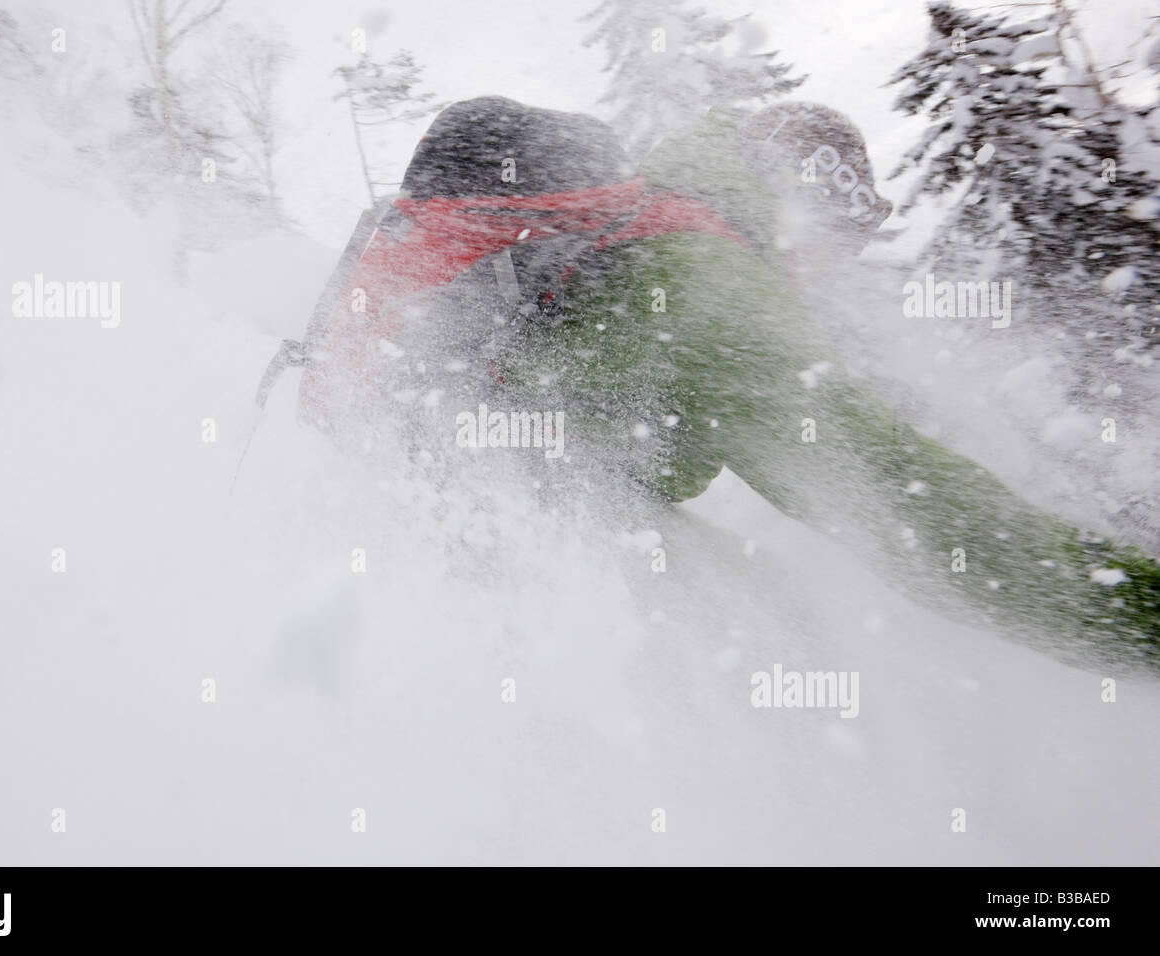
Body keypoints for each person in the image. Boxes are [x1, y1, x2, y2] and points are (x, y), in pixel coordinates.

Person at [286, 96, 1160, 666]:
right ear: (802, 187)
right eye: (847, 221)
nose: (834, 260)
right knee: (775, 639)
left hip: (443, 524)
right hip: (509, 554)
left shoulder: (632, 242)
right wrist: (1141, 615)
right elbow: (898, 501)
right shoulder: (697, 275)